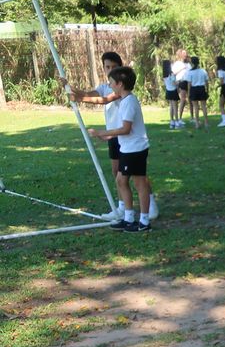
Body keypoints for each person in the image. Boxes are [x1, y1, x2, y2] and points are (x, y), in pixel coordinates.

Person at [62, 51, 158, 221]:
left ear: (120, 68)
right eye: (107, 67)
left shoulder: (120, 88)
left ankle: (150, 205)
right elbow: (89, 94)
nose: (110, 69)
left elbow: (104, 100)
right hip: (114, 136)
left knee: (138, 174)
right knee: (118, 173)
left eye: (114, 66)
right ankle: (122, 207)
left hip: (125, 136)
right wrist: (68, 86)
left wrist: (80, 99)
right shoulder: (106, 86)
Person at [87, 66, 154, 233]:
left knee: (139, 183)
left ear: (120, 84)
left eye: (111, 83)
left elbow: (126, 129)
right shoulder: (124, 101)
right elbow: (122, 127)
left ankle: (144, 221)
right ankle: (128, 218)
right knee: (120, 181)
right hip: (127, 148)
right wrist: (108, 136)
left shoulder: (129, 102)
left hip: (135, 149)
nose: (109, 85)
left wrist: (101, 132)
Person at [186, 56, 210, 129]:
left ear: (192, 63)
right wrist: (207, 90)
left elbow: (189, 84)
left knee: (196, 107)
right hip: (202, 88)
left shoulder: (190, 72)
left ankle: (197, 123)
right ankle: (206, 122)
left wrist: (189, 93)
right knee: (204, 106)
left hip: (194, 89)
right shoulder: (203, 71)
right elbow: (207, 82)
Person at [171, 49, 191, 125]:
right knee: (183, 99)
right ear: (180, 55)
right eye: (184, 53)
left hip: (188, 82)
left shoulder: (188, 64)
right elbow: (173, 74)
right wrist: (181, 69)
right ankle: (179, 118)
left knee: (190, 99)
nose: (185, 55)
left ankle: (192, 117)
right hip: (181, 82)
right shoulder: (177, 63)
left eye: (186, 53)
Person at [162, 59, 181, 130]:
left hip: (168, 91)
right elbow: (174, 83)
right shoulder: (171, 74)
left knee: (171, 106)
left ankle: (172, 121)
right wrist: (178, 83)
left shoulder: (164, 75)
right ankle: (177, 122)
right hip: (173, 91)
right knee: (175, 107)